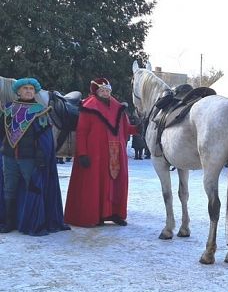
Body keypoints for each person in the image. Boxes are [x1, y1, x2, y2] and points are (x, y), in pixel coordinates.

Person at [64, 78, 138, 227]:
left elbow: (126, 128)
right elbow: (82, 132)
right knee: (95, 185)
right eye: (102, 90)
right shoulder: (88, 107)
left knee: (117, 184)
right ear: (96, 91)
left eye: (107, 90)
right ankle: (95, 215)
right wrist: (83, 153)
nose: (105, 92)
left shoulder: (119, 108)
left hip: (116, 154)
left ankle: (114, 213)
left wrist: (137, 129)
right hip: (95, 154)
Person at [0, 78, 69, 235]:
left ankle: (34, 223)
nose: (29, 91)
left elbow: (45, 136)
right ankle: (9, 222)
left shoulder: (40, 110)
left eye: (31, 89)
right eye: (25, 88)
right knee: (9, 189)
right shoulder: (9, 109)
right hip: (9, 157)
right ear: (18, 91)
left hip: (29, 158)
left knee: (33, 188)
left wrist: (41, 155)